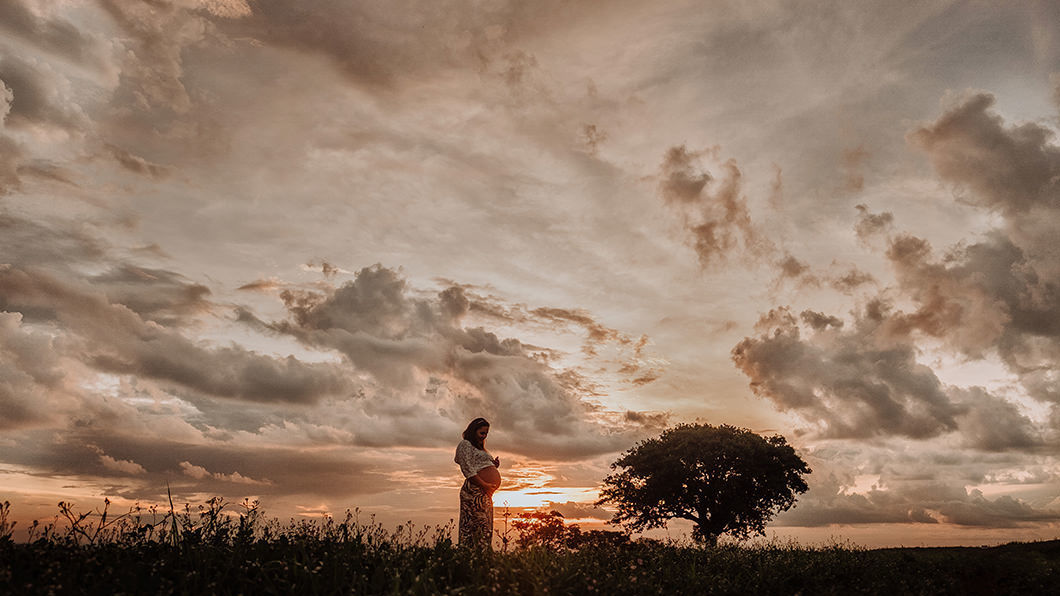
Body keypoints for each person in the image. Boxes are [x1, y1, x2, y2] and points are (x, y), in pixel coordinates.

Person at [454, 417, 501, 548]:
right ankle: (470, 558)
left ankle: (482, 558)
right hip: (474, 492)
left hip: (484, 493)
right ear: (473, 431)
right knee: (473, 526)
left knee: (485, 527)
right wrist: (484, 485)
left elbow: (479, 466)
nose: (484, 436)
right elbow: (467, 468)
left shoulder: (480, 449)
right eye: (482, 433)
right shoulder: (465, 444)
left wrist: (493, 466)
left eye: (486, 433)